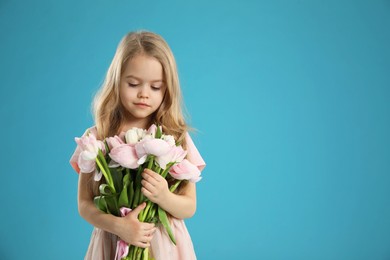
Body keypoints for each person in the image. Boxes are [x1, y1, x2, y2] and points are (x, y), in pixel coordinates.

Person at [69, 31, 206, 260]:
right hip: (113, 239)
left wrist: (164, 196)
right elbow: (84, 204)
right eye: (133, 84)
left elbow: (189, 207)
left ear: (167, 89)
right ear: (117, 81)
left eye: (156, 87)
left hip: (164, 247)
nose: (144, 94)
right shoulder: (97, 137)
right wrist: (118, 226)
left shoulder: (175, 137)